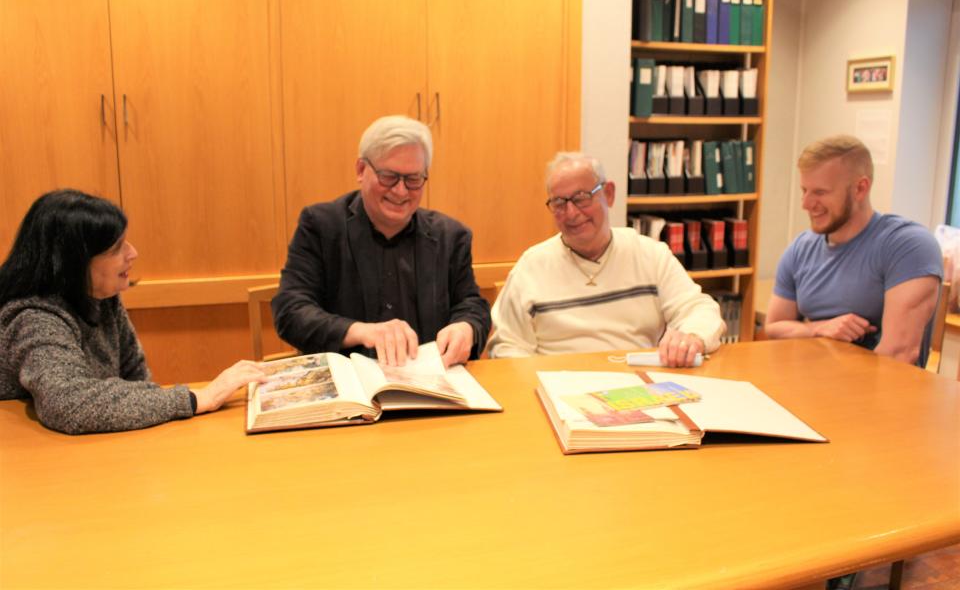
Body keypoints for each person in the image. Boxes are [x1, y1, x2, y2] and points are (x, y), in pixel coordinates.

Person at [0, 190, 268, 435]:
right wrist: (197, 398)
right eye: (116, 248)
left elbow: (136, 381)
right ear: (73, 262)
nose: (133, 253)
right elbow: (67, 403)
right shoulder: (33, 318)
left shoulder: (102, 297)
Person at [271, 115, 491, 368]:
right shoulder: (320, 226)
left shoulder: (451, 236)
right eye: (389, 177)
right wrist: (363, 332)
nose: (400, 191)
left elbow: (472, 305)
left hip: (430, 387)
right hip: (347, 389)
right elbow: (291, 311)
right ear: (361, 170)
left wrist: (466, 328)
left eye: (413, 179)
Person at [486, 152, 725, 367]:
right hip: (559, 388)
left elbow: (699, 309)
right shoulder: (531, 266)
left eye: (581, 198)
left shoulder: (650, 255)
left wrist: (692, 337)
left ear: (608, 194)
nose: (571, 213)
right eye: (559, 203)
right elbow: (507, 345)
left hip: (638, 386)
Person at [765, 135, 943, 366]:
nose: (806, 204)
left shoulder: (908, 246)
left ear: (860, 188)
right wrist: (819, 328)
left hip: (876, 394)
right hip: (810, 383)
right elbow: (774, 327)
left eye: (820, 192)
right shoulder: (800, 248)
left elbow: (899, 354)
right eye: (804, 190)